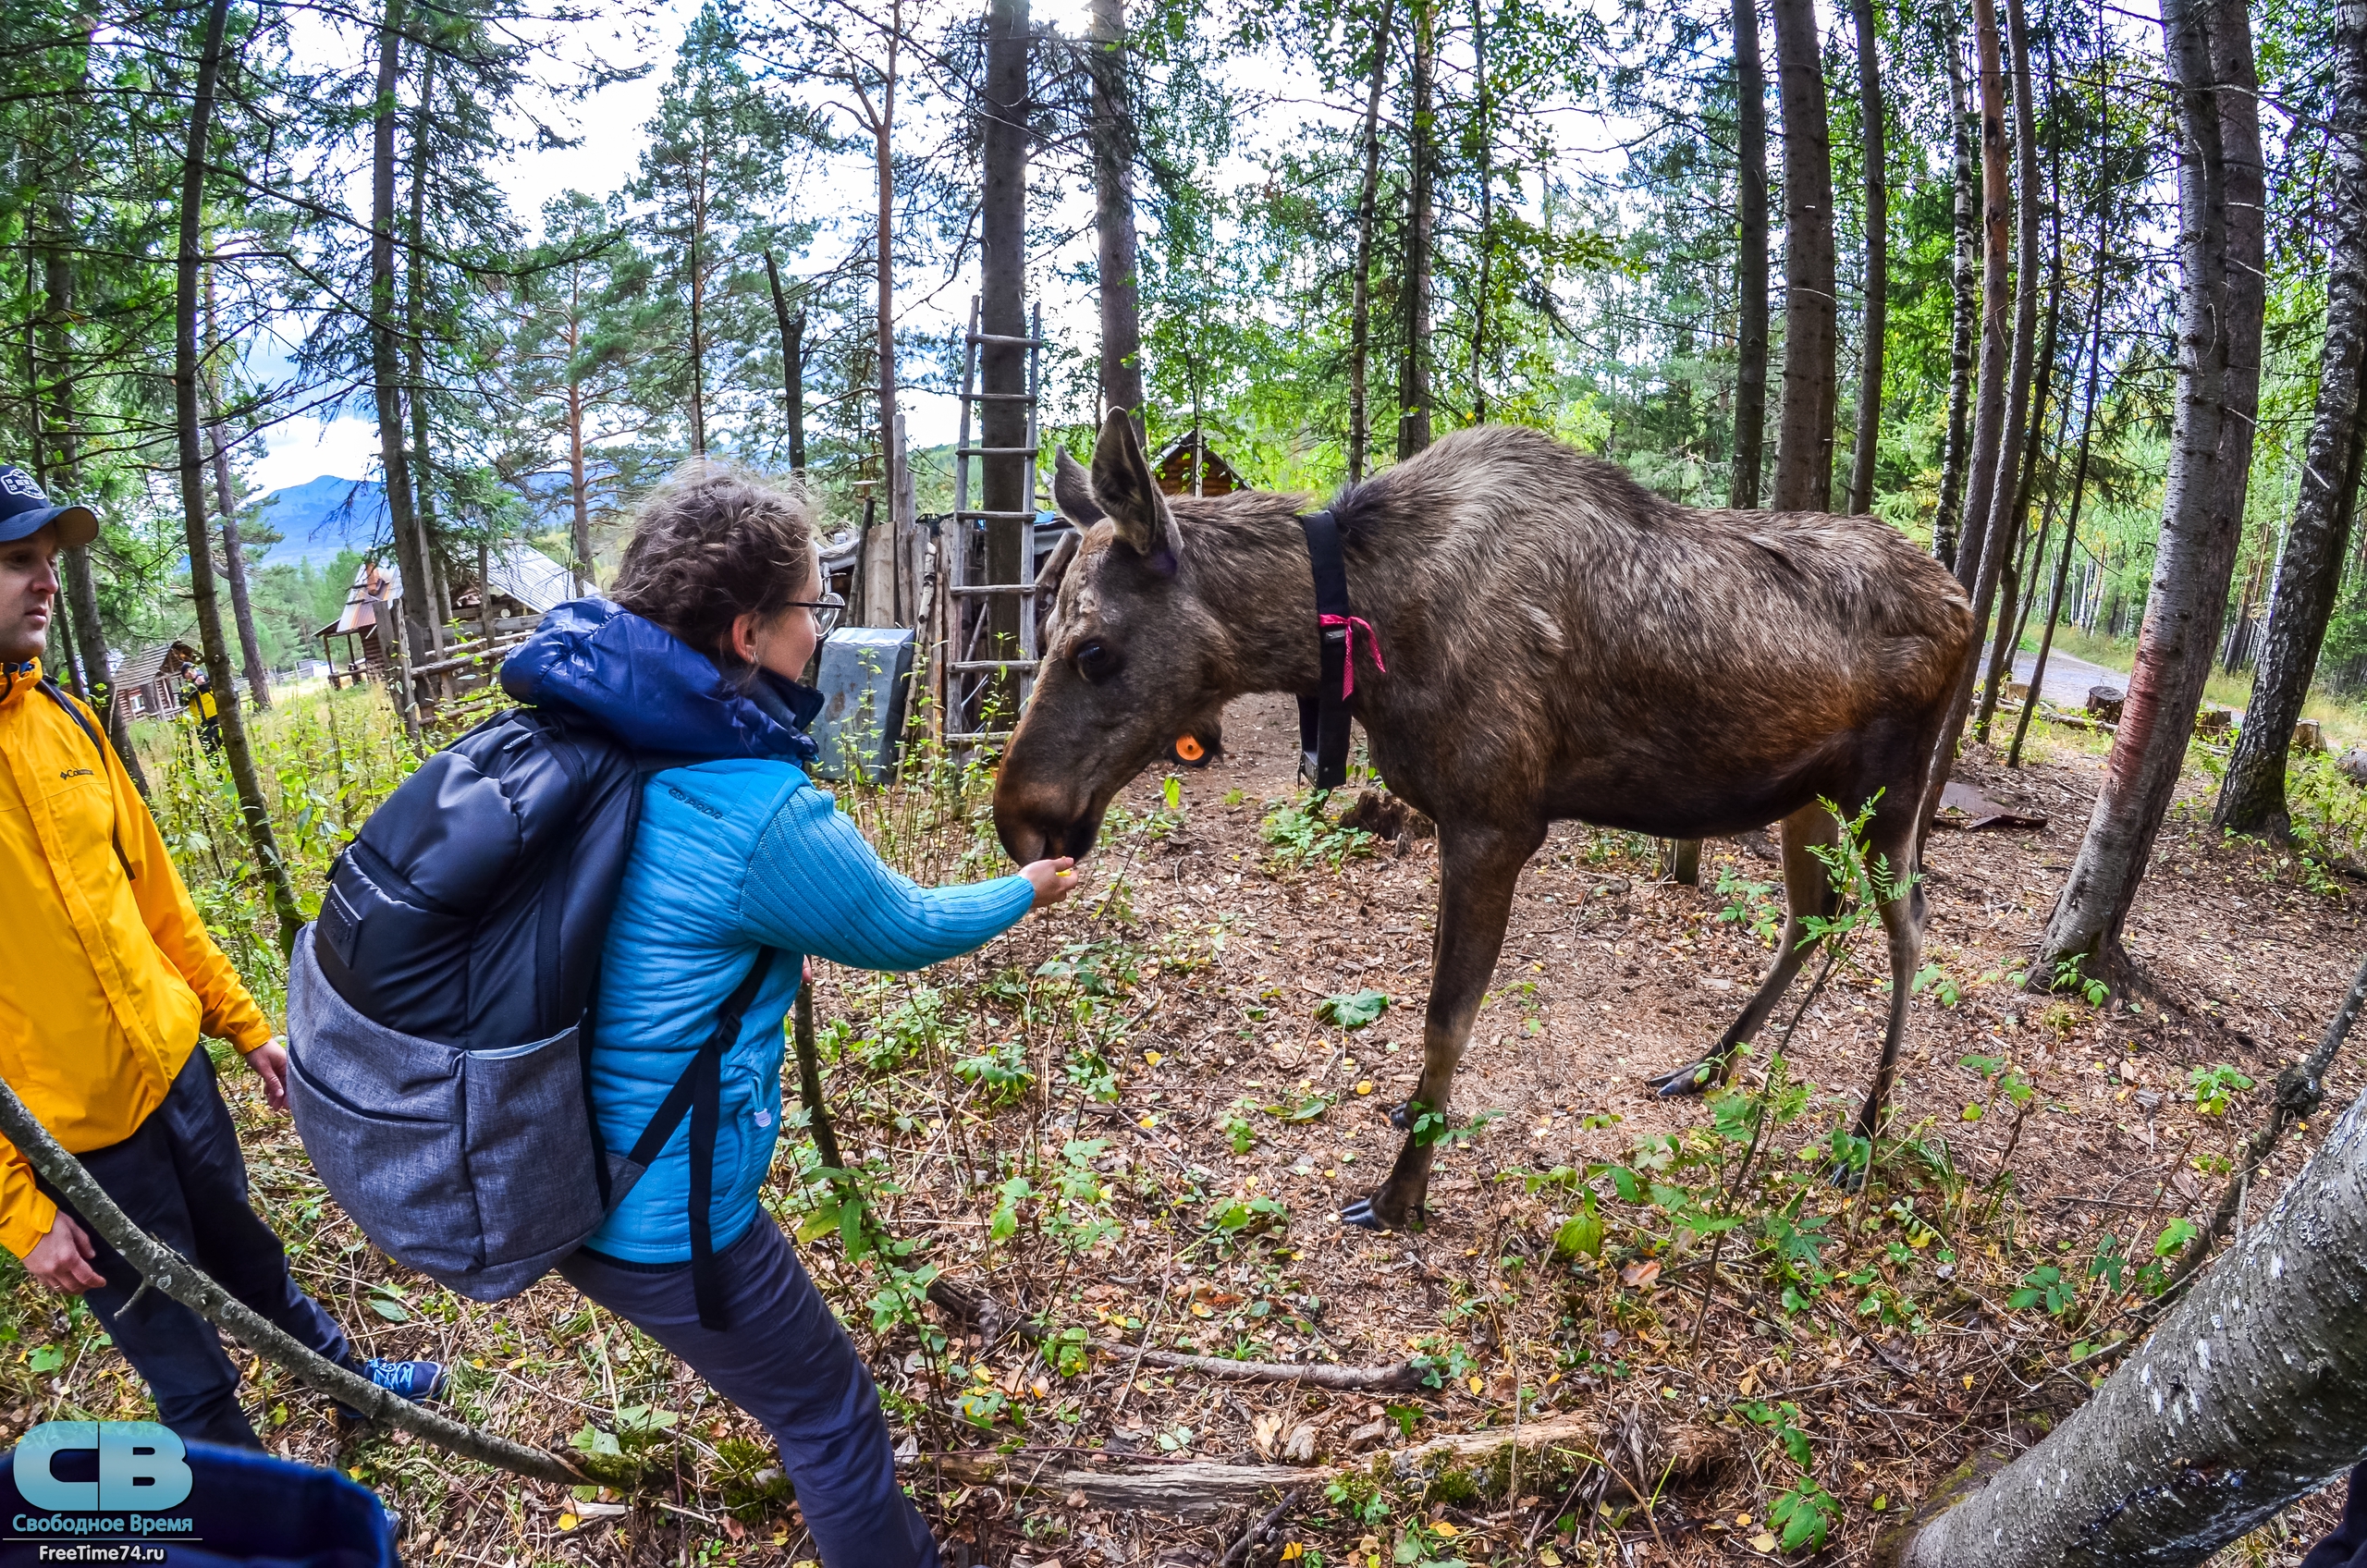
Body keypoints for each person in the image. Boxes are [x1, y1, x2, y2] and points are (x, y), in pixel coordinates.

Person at [497, 460, 1080, 1568]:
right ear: (748, 629)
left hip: (558, 1172)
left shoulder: (588, 734)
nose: (824, 630)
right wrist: (1026, 887)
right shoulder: (754, 807)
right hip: (659, 1215)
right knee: (829, 1412)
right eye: (815, 608)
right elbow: (901, 925)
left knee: (794, 1394)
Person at [0, 464, 443, 1447]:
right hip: (75, 1145)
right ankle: (275, 1533)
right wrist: (19, 1210)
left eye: (48, 561)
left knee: (252, 1262)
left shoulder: (71, 721)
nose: (43, 581)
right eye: (15, 560)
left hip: (179, 1081)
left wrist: (245, 1030)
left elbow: (160, 905)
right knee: (185, 1368)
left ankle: (354, 1385)